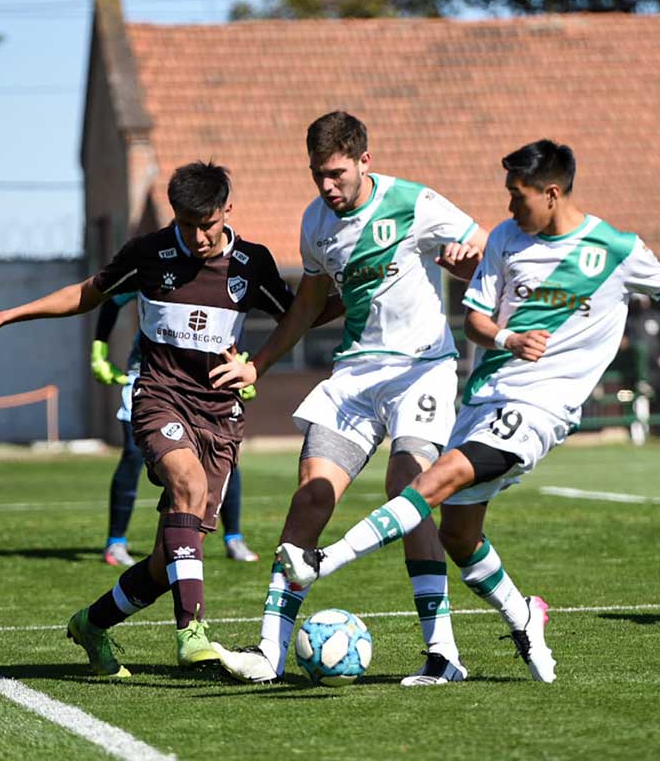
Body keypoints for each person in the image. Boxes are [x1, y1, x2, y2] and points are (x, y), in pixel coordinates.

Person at [274, 139, 660, 682]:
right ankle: (523, 615)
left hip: (540, 407)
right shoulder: (508, 241)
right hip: (486, 396)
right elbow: (475, 322)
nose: (510, 207)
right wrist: (509, 338)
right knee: (458, 536)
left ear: (553, 193)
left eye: (519, 197)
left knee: (430, 481)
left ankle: (324, 561)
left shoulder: (612, 247)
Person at [0, 161, 295, 675]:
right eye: (187, 224)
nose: (199, 235)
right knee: (185, 484)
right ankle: (193, 634)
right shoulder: (149, 253)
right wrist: (6, 316)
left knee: (167, 565)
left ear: (228, 209)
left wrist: (263, 358)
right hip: (160, 399)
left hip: (221, 418)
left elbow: (300, 313)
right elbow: (86, 293)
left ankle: (91, 624)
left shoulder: (252, 263)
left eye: (207, 223)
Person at [207, 111, 488, 686]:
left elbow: (487, 252)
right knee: (311, 496)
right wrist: (256, 363)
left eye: (336, 173)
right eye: (317, 175)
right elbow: (309, 305)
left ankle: (442, 654)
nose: (327, 187)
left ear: (365, 160)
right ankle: (269, 653)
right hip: (356, 375)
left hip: (422, 370)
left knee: (408, 493)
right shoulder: (316, 221)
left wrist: (468, 264)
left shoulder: (415, 201)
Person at [91, 294, 259, 566]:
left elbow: (255, 314)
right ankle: (115, 542)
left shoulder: (236, 269)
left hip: (210, 383)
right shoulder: (157, 261)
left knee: (224, 456)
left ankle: (234, 537)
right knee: (133, 453)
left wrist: (250, 367)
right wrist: (99, 350)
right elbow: (111, 298)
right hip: (151, 377)